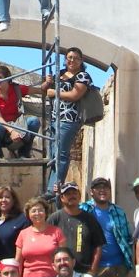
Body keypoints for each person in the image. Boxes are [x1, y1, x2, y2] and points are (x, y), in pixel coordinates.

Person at [40, 48, 91, 194]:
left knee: (61, 154)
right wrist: (47, 83)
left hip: (70, 119)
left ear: (81, 61)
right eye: (69, 57)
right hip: (55, 118)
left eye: (75, 58)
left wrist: (54, 92)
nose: (72, 60)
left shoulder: (83, 76)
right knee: (53, 155)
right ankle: (52, 186)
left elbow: (75, 95)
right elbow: (43, 91)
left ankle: (53, 188)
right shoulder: (60, 74)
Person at [48, 181, 103, 275]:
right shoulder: (54, 219)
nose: (72, 196)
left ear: (79, 196)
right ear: (62, 198)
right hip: (60, 273)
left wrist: (92, 271)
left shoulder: (89, 219)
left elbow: (98, 246)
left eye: (74, 193)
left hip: (84, 273)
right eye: (68, 194)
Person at [0, 66, 39, 159]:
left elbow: (38, 90)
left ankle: (24, 153)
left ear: (8, 78)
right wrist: (12, 131)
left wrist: (47, 85)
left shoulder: (16, 89)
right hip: (0, 128)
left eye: (0, 77)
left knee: (34, 121)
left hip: (17, 126)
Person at [13, 197, 62, 277]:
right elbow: (18, 260)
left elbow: (63, 257)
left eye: (40, 210)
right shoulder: (23, 234)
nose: (37, 213)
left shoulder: (57, 232)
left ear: (46, 212)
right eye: (33, 211)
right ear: (28, 214)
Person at [0, 185, 28, 265]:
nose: (3, 200)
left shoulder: (22, 219)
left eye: (7, 197)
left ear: (13, 200)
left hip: (11, 269)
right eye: (0, 197)